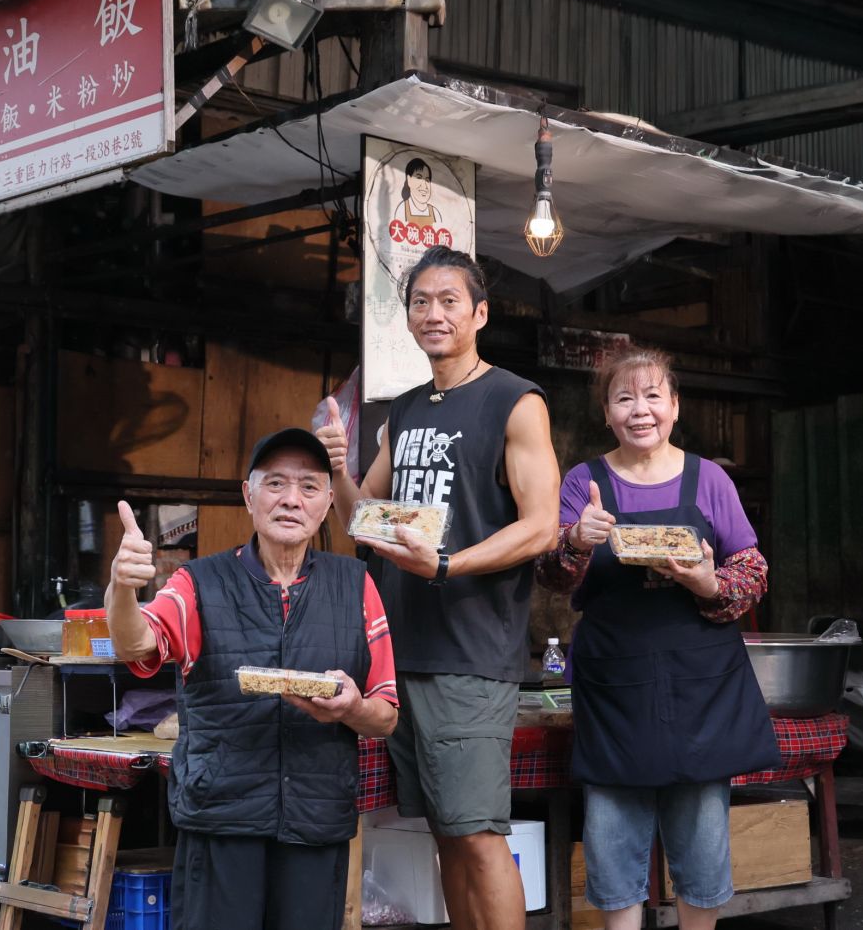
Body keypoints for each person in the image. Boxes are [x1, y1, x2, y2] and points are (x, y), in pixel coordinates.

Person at [316, 245, 560, 930]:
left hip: (471, 654)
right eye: (421, 302)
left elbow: (543, 526)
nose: (433, 314)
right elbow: (364, 521)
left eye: (449, 300)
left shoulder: (515, 401)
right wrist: (336, 467)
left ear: (479, 313)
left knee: (481, 836)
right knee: (447, 834)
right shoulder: (408, 409)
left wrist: (448, 564)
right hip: (406, 651)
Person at [105, 427, 399, 930]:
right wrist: (122, 587)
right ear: (248, 495)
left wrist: (351, 707)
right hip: (222, 821)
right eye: (275, 484)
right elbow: (137, 644)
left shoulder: (356, 585)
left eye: (309, 487)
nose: (291, 499)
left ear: (329, 502)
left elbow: (386, 714)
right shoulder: (197, 583)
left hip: (316, 820)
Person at [535, 345, 779, 930]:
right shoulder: (582, 481)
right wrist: (576, 543)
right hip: (617, 683)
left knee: (701, 839)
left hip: (701, 685)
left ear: (674, 405)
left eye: (652, 396)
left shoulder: (709, 478)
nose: (639, 410)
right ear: (607, 413)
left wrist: (707, 581)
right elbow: (547, 574)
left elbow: (752, 570)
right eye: (624, 398)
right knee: (612, 836)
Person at [397, 157, 442, 227]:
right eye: (419, 178)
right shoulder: (402, 209)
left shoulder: (435, 213)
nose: (424, 186)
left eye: (427, 180)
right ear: (409, 179)